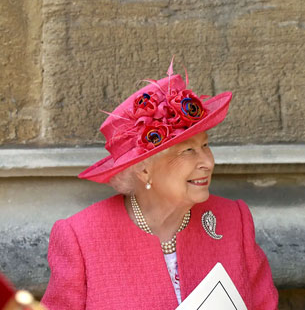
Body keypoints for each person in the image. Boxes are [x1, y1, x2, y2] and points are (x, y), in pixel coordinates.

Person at [42, 62, 278, 309]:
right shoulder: (81, 238)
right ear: (144, 170)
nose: (207, 162)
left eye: (205, 146)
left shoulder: (233, 220)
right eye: (187, 151)